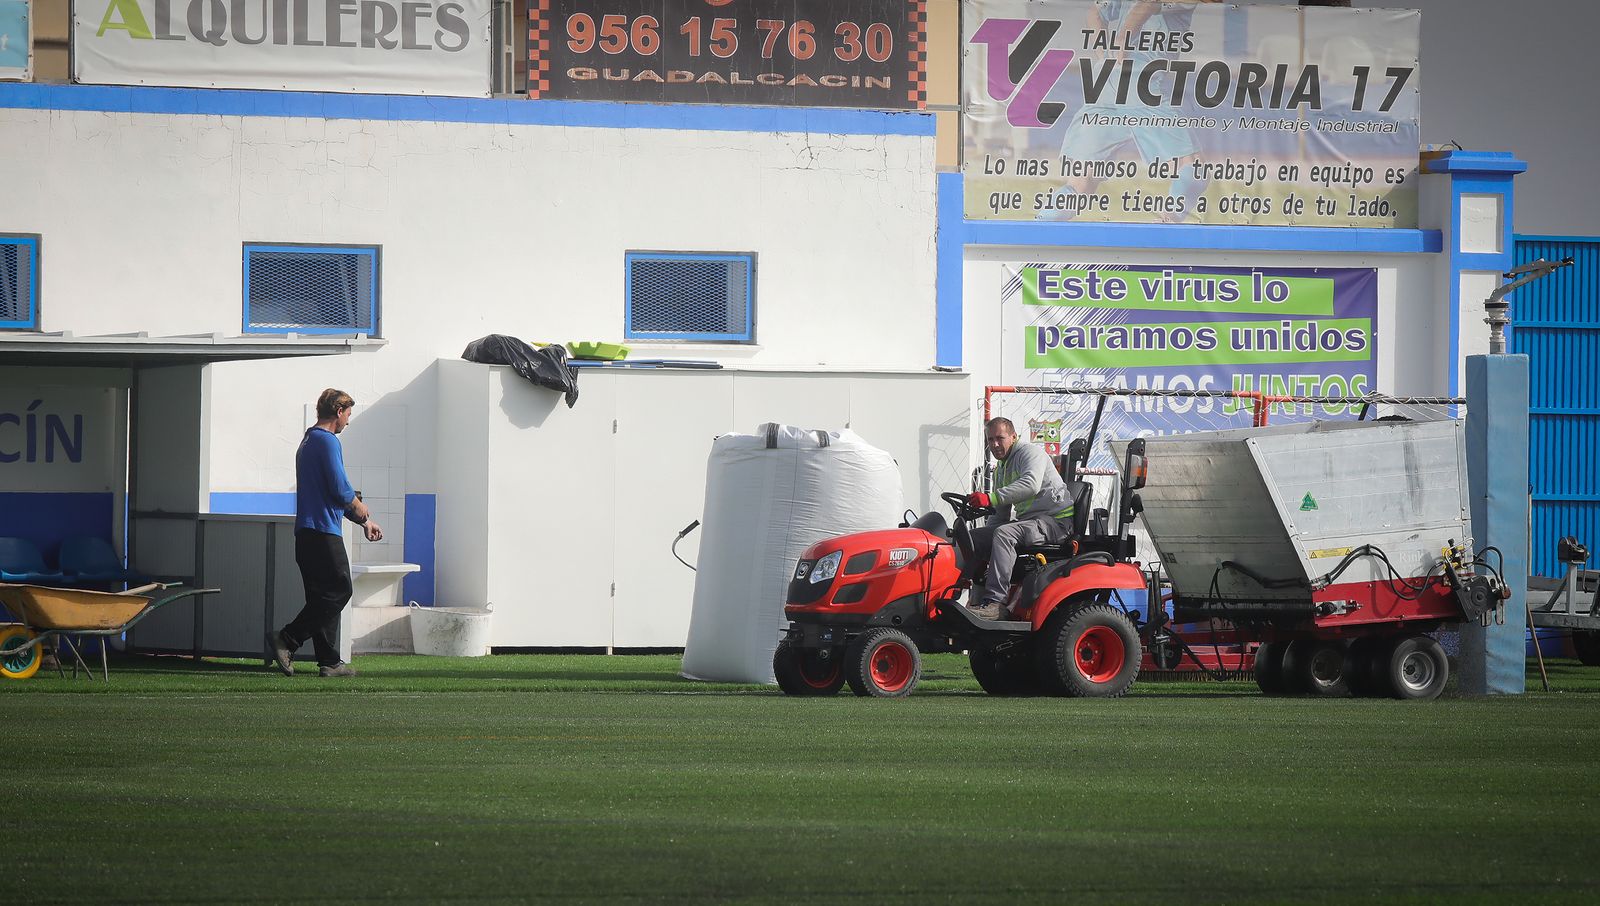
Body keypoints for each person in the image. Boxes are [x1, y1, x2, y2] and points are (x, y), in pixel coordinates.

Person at [265, 389, 382, 677]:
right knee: (340, 589)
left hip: (307, 534)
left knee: (321, 598)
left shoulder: (308, 441)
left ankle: (329, 661)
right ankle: (288, 638)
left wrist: (363, 522)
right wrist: (360, 508)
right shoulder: (327, 441)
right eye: (348, 415)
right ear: (339, 411)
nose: (348, 423)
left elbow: (327, 494)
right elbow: (340, 489)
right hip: (323, 534)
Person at [965, 417, 1075, 621]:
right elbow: (1000, 514)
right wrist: (985, 539)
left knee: (1005, 534)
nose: (995, 444)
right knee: (973, 537)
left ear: (1013, 437)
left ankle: (995, 604)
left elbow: (1031, 484)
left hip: (1055, 523)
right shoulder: (1002, 468)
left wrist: (989, 498)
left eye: (1000, 438)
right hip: (1032, 523)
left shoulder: (1029, 453)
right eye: (990, 440)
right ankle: (971, 597)